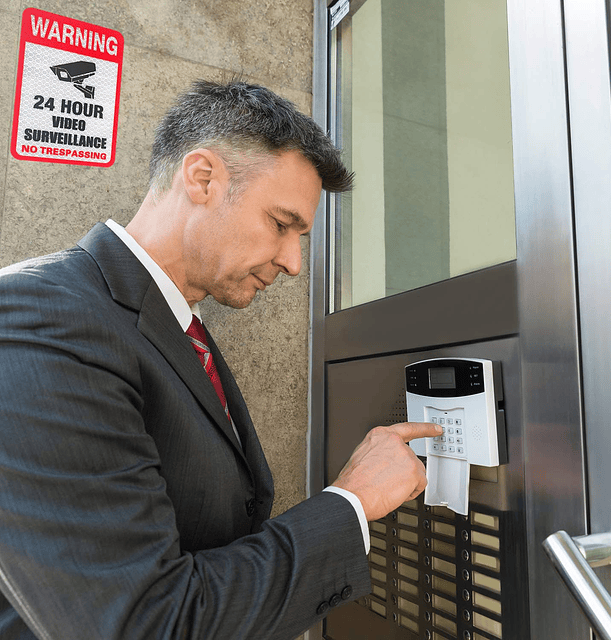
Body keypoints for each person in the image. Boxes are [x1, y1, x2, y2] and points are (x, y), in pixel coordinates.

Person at [0, 80, 441, 639]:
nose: (294, 263)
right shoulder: (38, 317)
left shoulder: (176, 325)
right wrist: (350, 502)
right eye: (282, 225)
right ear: (202, 177)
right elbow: (146, 624)